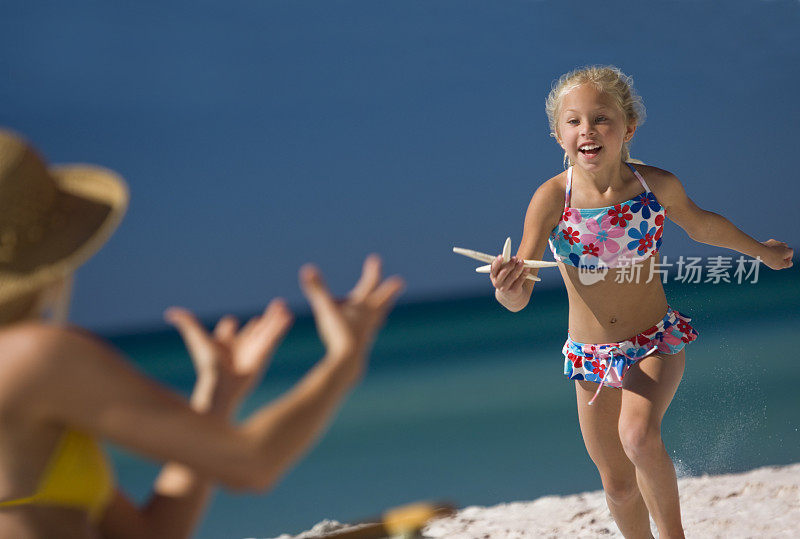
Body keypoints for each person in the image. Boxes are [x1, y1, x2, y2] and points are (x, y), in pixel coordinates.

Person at [0, 128, 404, 538]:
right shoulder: (34, 357)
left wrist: (216, 399)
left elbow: (151, 535)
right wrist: (344, 361)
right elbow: (253, 463)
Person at [489, 66, 793, 539]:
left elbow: (705, 226)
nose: (587, 130)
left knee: (638, 437)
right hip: (589, 357)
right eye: (573, 122)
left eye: (601, 118)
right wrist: (508, 289)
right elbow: (519, 294)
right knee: (616, 484)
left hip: (653, 340)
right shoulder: (551, 198)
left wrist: (763, 252)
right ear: (558, 135)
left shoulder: (654, 186)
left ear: (628, 127)